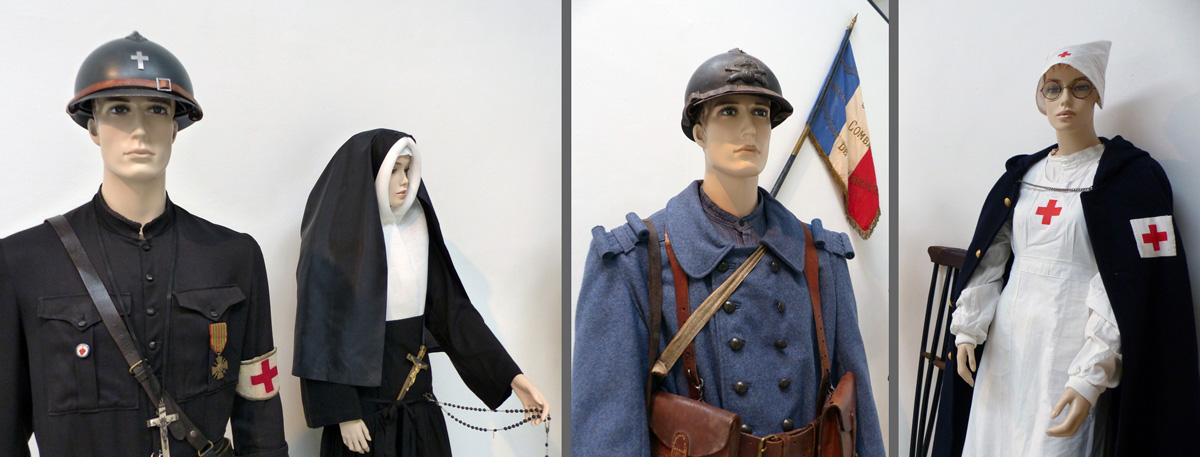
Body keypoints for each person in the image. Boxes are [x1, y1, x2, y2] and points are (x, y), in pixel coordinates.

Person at [572, 48, 884, 457]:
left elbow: (857, 412)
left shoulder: (821, 258)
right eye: (728, 112)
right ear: (699, 132)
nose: (749, 129)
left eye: (760, 113)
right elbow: (607, 434)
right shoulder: (632, 263)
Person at [0, 32, 288, 456]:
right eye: (119, 109)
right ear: (93, 127)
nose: (139, 129)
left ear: (175, 127)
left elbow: (259, 409)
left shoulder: (234, 256)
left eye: (157, 109)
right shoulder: (24, 262)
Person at [934, 41, 1200, 456]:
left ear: (1097, 94)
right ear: (1041, 98)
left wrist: (1091, 373)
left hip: (1071, 342)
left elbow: (1126, 282)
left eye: (1080, 87)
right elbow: (992, 258)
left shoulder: (1131, 179)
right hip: (1007, 340)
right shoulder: (1023, 175)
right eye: (1053, 88)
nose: (1066, 100)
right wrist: (968, 329)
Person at [293, 129, 549, 456]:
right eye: (394, 170)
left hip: (419, 409)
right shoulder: (335, 240)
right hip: (364, 418)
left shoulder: (418, 224)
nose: (404, 180)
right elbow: (317, 330)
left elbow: (452, 312)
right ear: (369, 175)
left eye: (407, 169)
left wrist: (513, 377)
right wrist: (344, 413)